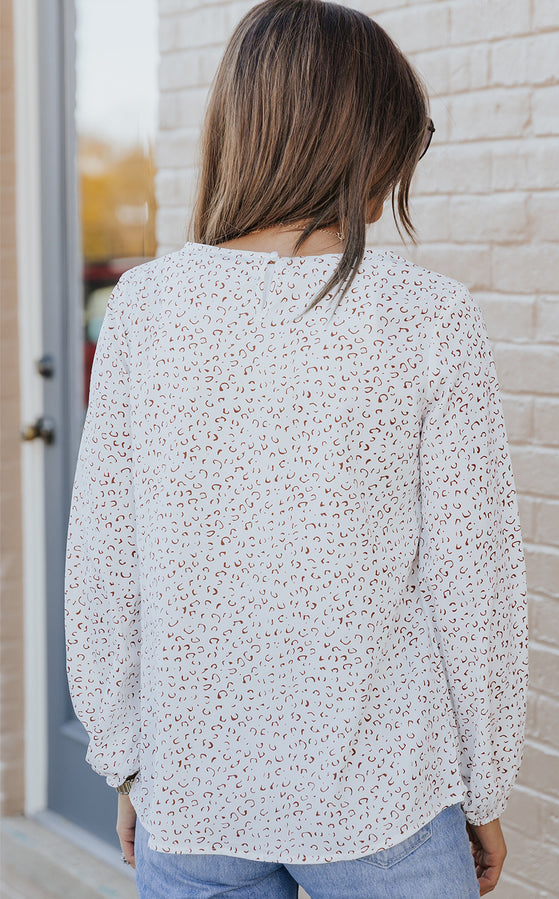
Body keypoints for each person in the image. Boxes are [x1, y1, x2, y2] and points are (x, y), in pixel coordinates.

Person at [64, 1, 528, 897]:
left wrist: (125, 760)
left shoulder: (145, 308)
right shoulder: (428, 319)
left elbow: (101, 565)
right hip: (381, 800)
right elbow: (475, 590)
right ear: (367, 140)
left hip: (193, 794)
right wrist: (483, 786)